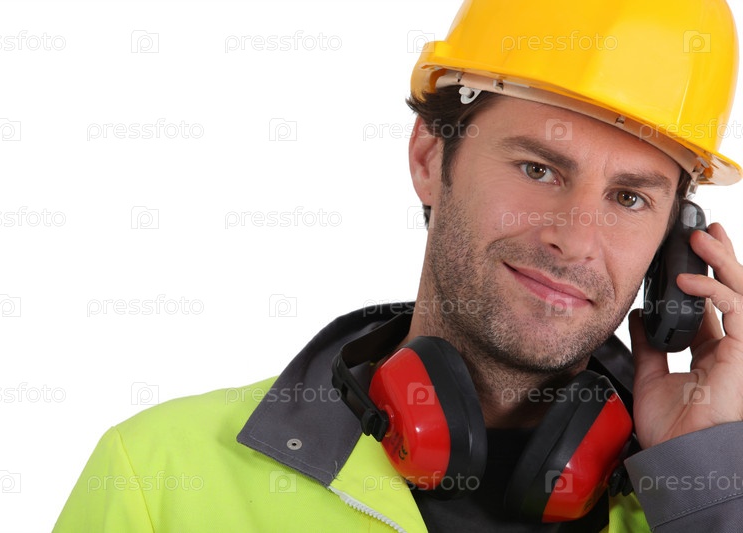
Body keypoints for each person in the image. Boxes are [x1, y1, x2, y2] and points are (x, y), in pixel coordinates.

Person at [54, 0, 743, 530]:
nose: (577, 241)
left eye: (629, 198)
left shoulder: (701, 497)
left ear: (674, 245)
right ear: (429, 157)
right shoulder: (160, 478)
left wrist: (704, 481)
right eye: (539, 168)